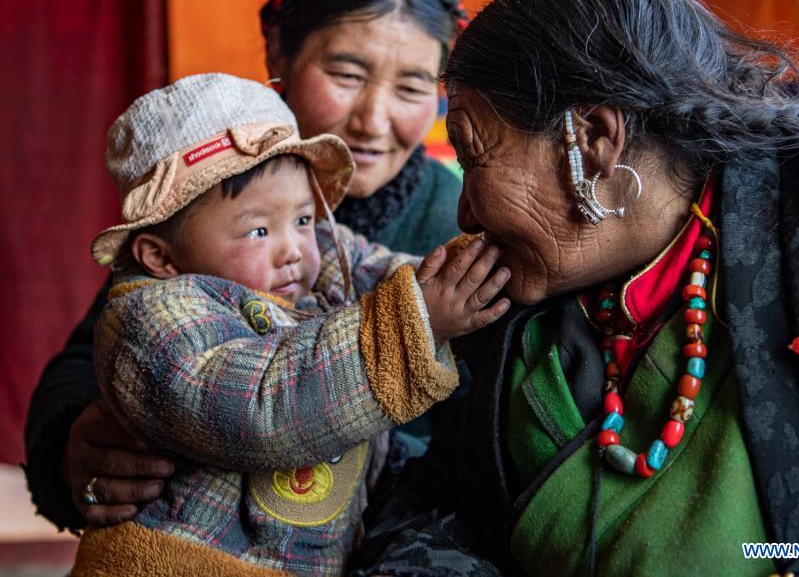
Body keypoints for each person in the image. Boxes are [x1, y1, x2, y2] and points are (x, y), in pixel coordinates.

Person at [358, 0, 799, 577]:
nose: (465, 216)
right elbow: (437, 506)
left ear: (592, 138)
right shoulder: (505, 307)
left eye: (473, 157)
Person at [24, 0, 468, 533]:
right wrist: (73, 437)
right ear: (278, 55)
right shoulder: (202, 198)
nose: (372, 119)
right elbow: (97, 347)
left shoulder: (460, 225)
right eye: (345, 73)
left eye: (413, 87)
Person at [69, 73, 508, 575]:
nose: (294, 250)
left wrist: (474, 266)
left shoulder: (314, 258)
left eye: (302, 219)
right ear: (160, 256)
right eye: (258, 230)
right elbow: (260, 403)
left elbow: (394, 274)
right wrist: (419, 318)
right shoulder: (153, 320)